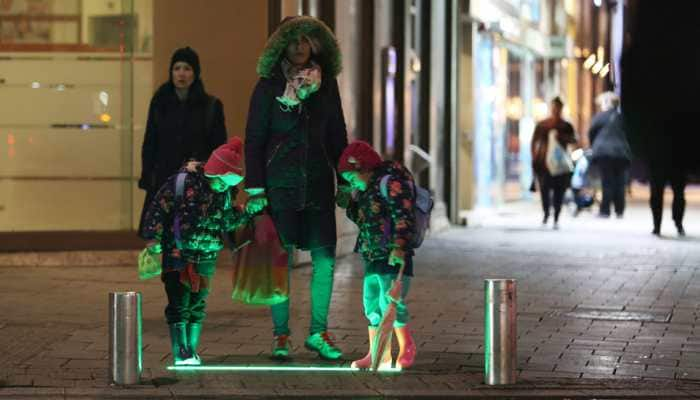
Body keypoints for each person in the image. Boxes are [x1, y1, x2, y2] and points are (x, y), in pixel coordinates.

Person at [243, 16, 348, 360]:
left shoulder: (327, 84)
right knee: (280, 262)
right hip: (281, 186)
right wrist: (256, 189)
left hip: (317, 184)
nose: (300, 47)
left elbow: (337, 136)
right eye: (293, 41)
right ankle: (281, 334)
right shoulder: (268, 86)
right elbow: (255, 140)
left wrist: (347, 178)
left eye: (306, 40)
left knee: (326, 259)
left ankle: (319, 332)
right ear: (282, 46)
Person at [139, 138, 251, 366]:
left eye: (228, 183)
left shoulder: (226, 193)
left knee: (198, 304)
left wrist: (244, 212)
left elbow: (226, 221)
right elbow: (158, 207)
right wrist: (153, 237)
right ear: (213, 171)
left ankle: (191, 348)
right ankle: (181, 351)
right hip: (179, 254)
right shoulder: (182, 182)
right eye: (221, 181)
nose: (223, 186)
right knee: (179, 302)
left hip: (207, 255)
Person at [336, 141, 417, 370]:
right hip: (371, 254)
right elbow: (365, 218)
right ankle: (378, 354)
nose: (352, 184)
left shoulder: (389, 182)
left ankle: (406, 345)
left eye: (352, 178)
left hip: (392, 254)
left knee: (391, 302)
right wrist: (350, 205)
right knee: (371, 303)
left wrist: (400, 245)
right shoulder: (367, 190)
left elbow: (403, 214)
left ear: (363, 168)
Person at [138, 46, 228, 236]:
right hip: (164, 180)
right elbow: (150, 142)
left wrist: (214, 178)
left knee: (192, 235)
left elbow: (219, 148)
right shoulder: (160, 103)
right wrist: (148, 175)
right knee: (163, 235)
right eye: (177, 68)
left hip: (196, 182)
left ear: (195, 73)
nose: (181, 74)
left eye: (187, 68)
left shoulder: (210, 106)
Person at [531, 97, 578, 229]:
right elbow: (534, 142)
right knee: (545, 190)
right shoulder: (542, 125)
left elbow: (574, 140)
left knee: (559, 191)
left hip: (560, 164)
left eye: (558, 108)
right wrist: (535, 157)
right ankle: (546, 214)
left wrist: (561, 137)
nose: (556, 110)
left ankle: (556, 217)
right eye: (554, 108)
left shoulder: (565, 125)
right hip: (544, 163)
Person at [590, 93, 632, 218]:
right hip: (622, 153)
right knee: (620, 182)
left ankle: (605, 210)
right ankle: (619, 210)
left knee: (606, 181)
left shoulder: (600, 117)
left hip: (604, 153)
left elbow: (591, 132)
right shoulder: (623, 117)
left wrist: (594, 146)